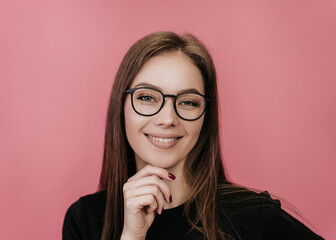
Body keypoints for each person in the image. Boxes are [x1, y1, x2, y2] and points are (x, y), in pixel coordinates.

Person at [62, 31, 324, 240]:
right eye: (146, 98)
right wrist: (132, 236)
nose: (167, 119)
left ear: (205, 117)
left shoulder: (254, 216)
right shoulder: (85, 219)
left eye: (188, 102)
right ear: (120, 108)